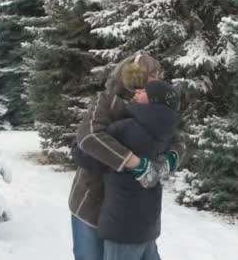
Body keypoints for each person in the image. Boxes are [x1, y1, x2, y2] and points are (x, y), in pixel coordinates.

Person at [68, 53, 185, 260]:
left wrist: (168, 161)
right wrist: (135, 163)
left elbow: (178, 141)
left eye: (158, 75)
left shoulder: (156, 106)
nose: (158, 79)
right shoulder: (107, 100)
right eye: (153, 75)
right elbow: (88, 137)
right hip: (92, 201)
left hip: (130, 212)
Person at [99, 80, 180, 260]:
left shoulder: (123, 128)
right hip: (148, 225)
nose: (136, 93)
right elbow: (181, 147)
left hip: (121, 225)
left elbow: (85, 156)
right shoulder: (169, 133)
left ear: (154, 100)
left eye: (143, 92)